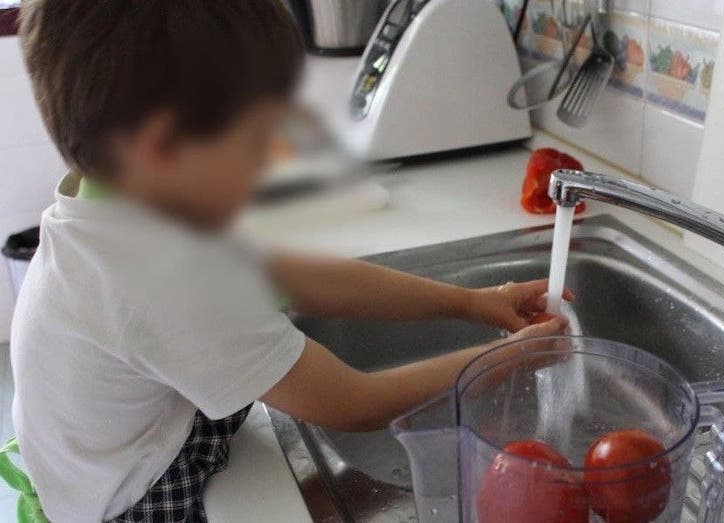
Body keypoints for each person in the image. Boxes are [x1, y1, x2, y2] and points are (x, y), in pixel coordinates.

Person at [10, 1, 572, 521]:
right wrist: (503, 361)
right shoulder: (164, 278)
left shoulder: (125, 205)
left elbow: (302, 278)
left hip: (98, 460)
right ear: (164, 145)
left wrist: (474, 303)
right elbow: (353, 403)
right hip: (134, 501)